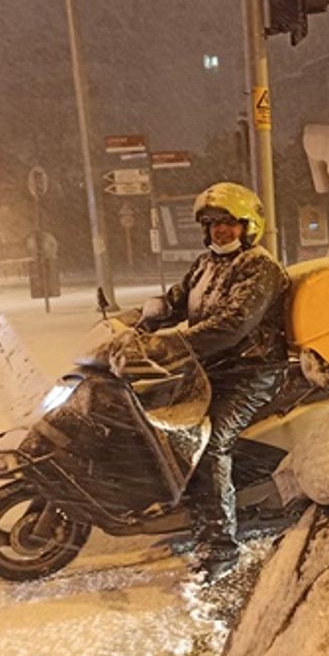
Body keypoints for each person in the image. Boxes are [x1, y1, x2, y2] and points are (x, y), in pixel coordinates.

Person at [136, 182, 290, 581]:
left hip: (254, 372)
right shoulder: (206, 264)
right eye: (212, 224)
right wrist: (135, 322)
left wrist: (175, 341)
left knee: (209, 444)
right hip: (213, 368)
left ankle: (219, 549)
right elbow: (174, 302)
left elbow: (232, 325)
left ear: (247, 226)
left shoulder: (259, 267)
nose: (220, 231)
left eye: (228, 223)